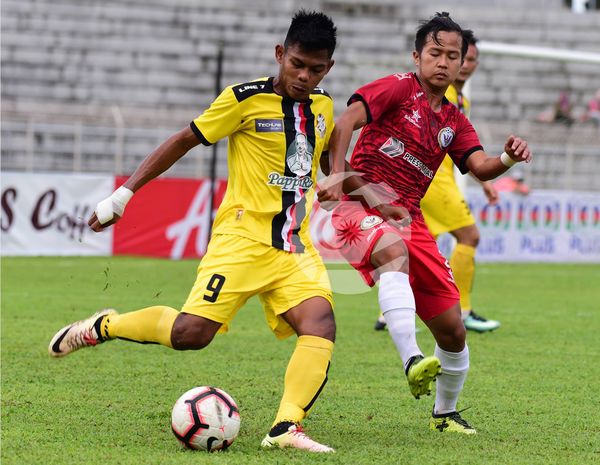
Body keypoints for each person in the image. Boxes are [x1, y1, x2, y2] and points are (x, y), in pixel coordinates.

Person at [48, 10, 344, 453]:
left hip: (293, 246)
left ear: (328, 68)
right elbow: (183, 140)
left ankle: (286, 427)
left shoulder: (322, 105)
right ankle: (104, 325)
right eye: (296, 63)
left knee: (320, 324)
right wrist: (124, 195)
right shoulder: (243, 99)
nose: (303, 76)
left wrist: (341, 182)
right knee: (191, 335)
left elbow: (319, 156)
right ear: (280, 54)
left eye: (315, 69)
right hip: (241, 241)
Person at [321, 13, 531, 434]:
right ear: (417, 56)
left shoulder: (454, 120)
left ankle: (445, 413)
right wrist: (336, 177)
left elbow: (481, 167)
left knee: (453, 331)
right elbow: (344, 123)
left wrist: (508, 157)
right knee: (392, 253)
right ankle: (413, 360)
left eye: (453, 56)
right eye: (435, 53)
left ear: (461, 64)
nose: (444, 62)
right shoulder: (398, 87)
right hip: (358, 205)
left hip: (406, 216)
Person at [375, 32, 501, 334]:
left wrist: (482, 182)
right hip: (433, 182)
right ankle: (465, 310)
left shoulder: (460, 100)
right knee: (469, 236)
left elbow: (460, 148)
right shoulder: (437, 95)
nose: (469, 66)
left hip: (435, 180)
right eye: (466, 59)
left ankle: (386, 313)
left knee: (408, 248)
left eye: (472, 60)